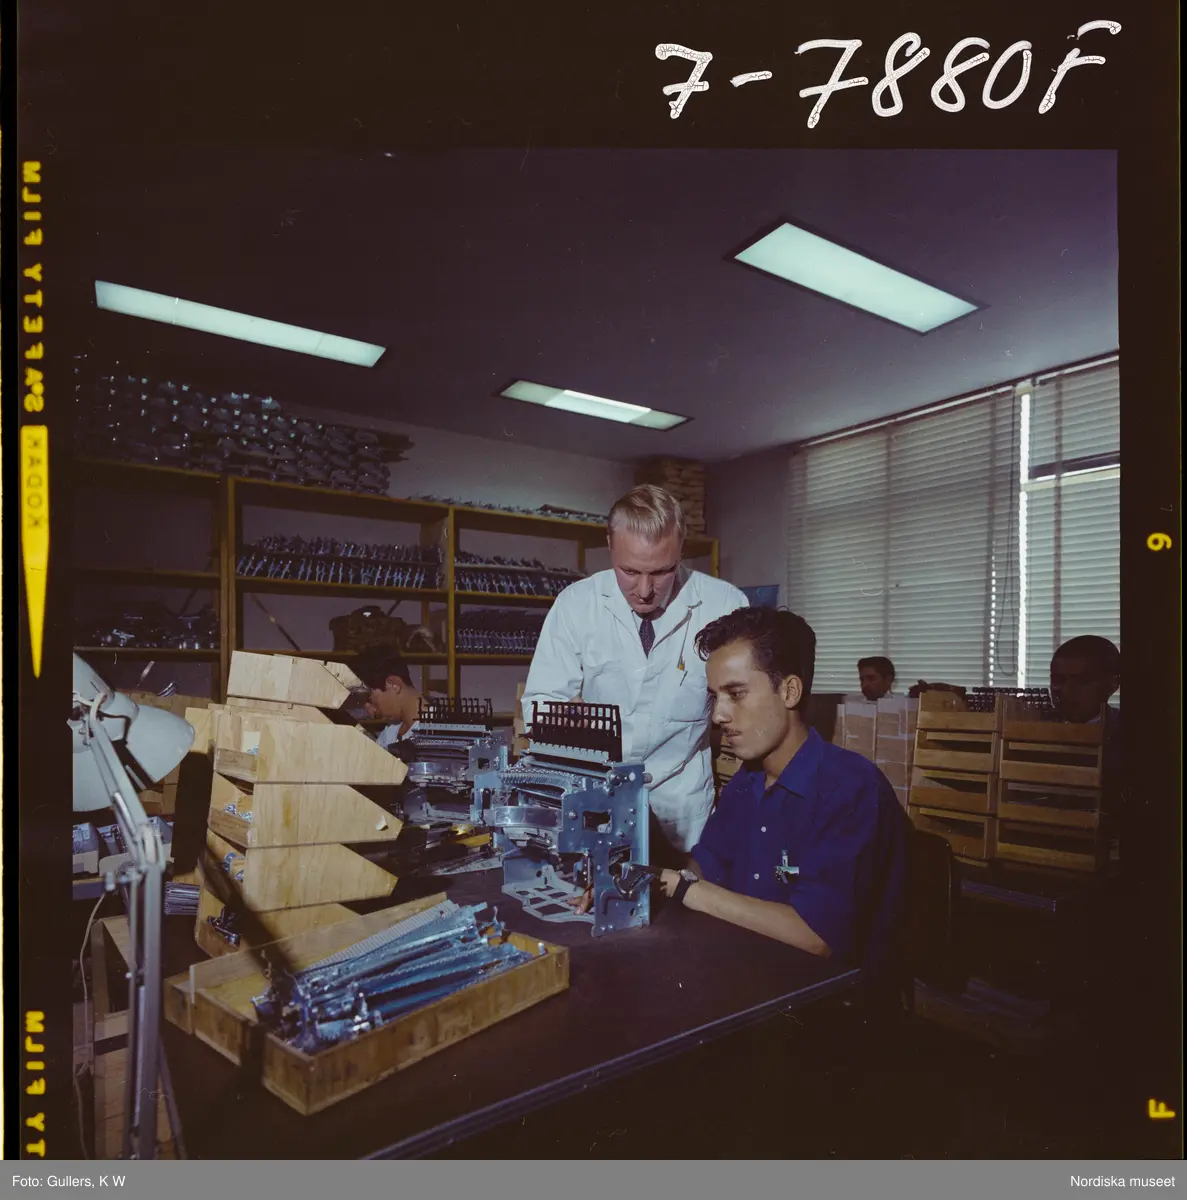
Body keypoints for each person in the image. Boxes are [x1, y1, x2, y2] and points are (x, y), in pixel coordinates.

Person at [656, 607, 909, 996]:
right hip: (754, 975)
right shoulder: (747, 781)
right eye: (715, 697)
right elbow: (706, 865)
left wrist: (684, 889)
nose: (719, 714)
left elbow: (815, 937)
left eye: (736, 694)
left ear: (790, 691)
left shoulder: (851, 789)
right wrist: (643, 882)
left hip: (832, 1003)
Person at [522, 484, 749, 857]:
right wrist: (567, 721)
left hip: (682, 808)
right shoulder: (576, 605)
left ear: (681, 549)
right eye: (629, 571)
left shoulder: (724, 604)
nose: (644, 590)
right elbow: (539, 704)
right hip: (599, 801)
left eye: (662, 571)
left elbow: (746, 701)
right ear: (609, 544)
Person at [353, 645, 422, 749]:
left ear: (394, 684)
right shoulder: (389, 734)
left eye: (371, 701)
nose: (372, 713)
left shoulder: (437, 732)